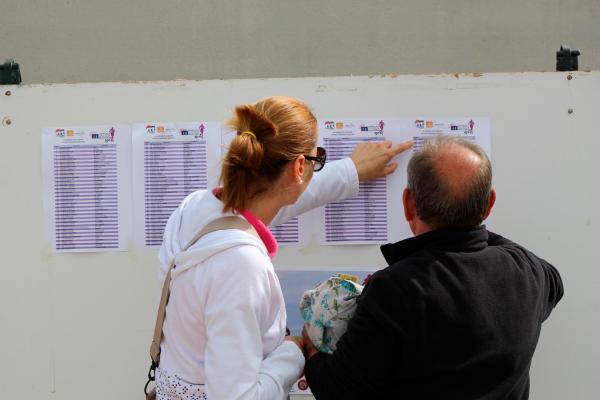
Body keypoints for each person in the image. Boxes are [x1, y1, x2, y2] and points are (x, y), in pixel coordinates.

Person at [155, 95, 413, 400]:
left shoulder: (193, 209)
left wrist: (349, 171)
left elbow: (272, 199)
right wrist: (293, 353)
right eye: (317, 160)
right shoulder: (240, 266)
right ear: (300, 167)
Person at [303, 135, 564, 400]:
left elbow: (338, 390)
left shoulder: (394, 290)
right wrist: (472, 224)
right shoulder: (528, 272)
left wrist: (309, 347)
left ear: (408, 204)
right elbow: (553, 279)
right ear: (489, 205)